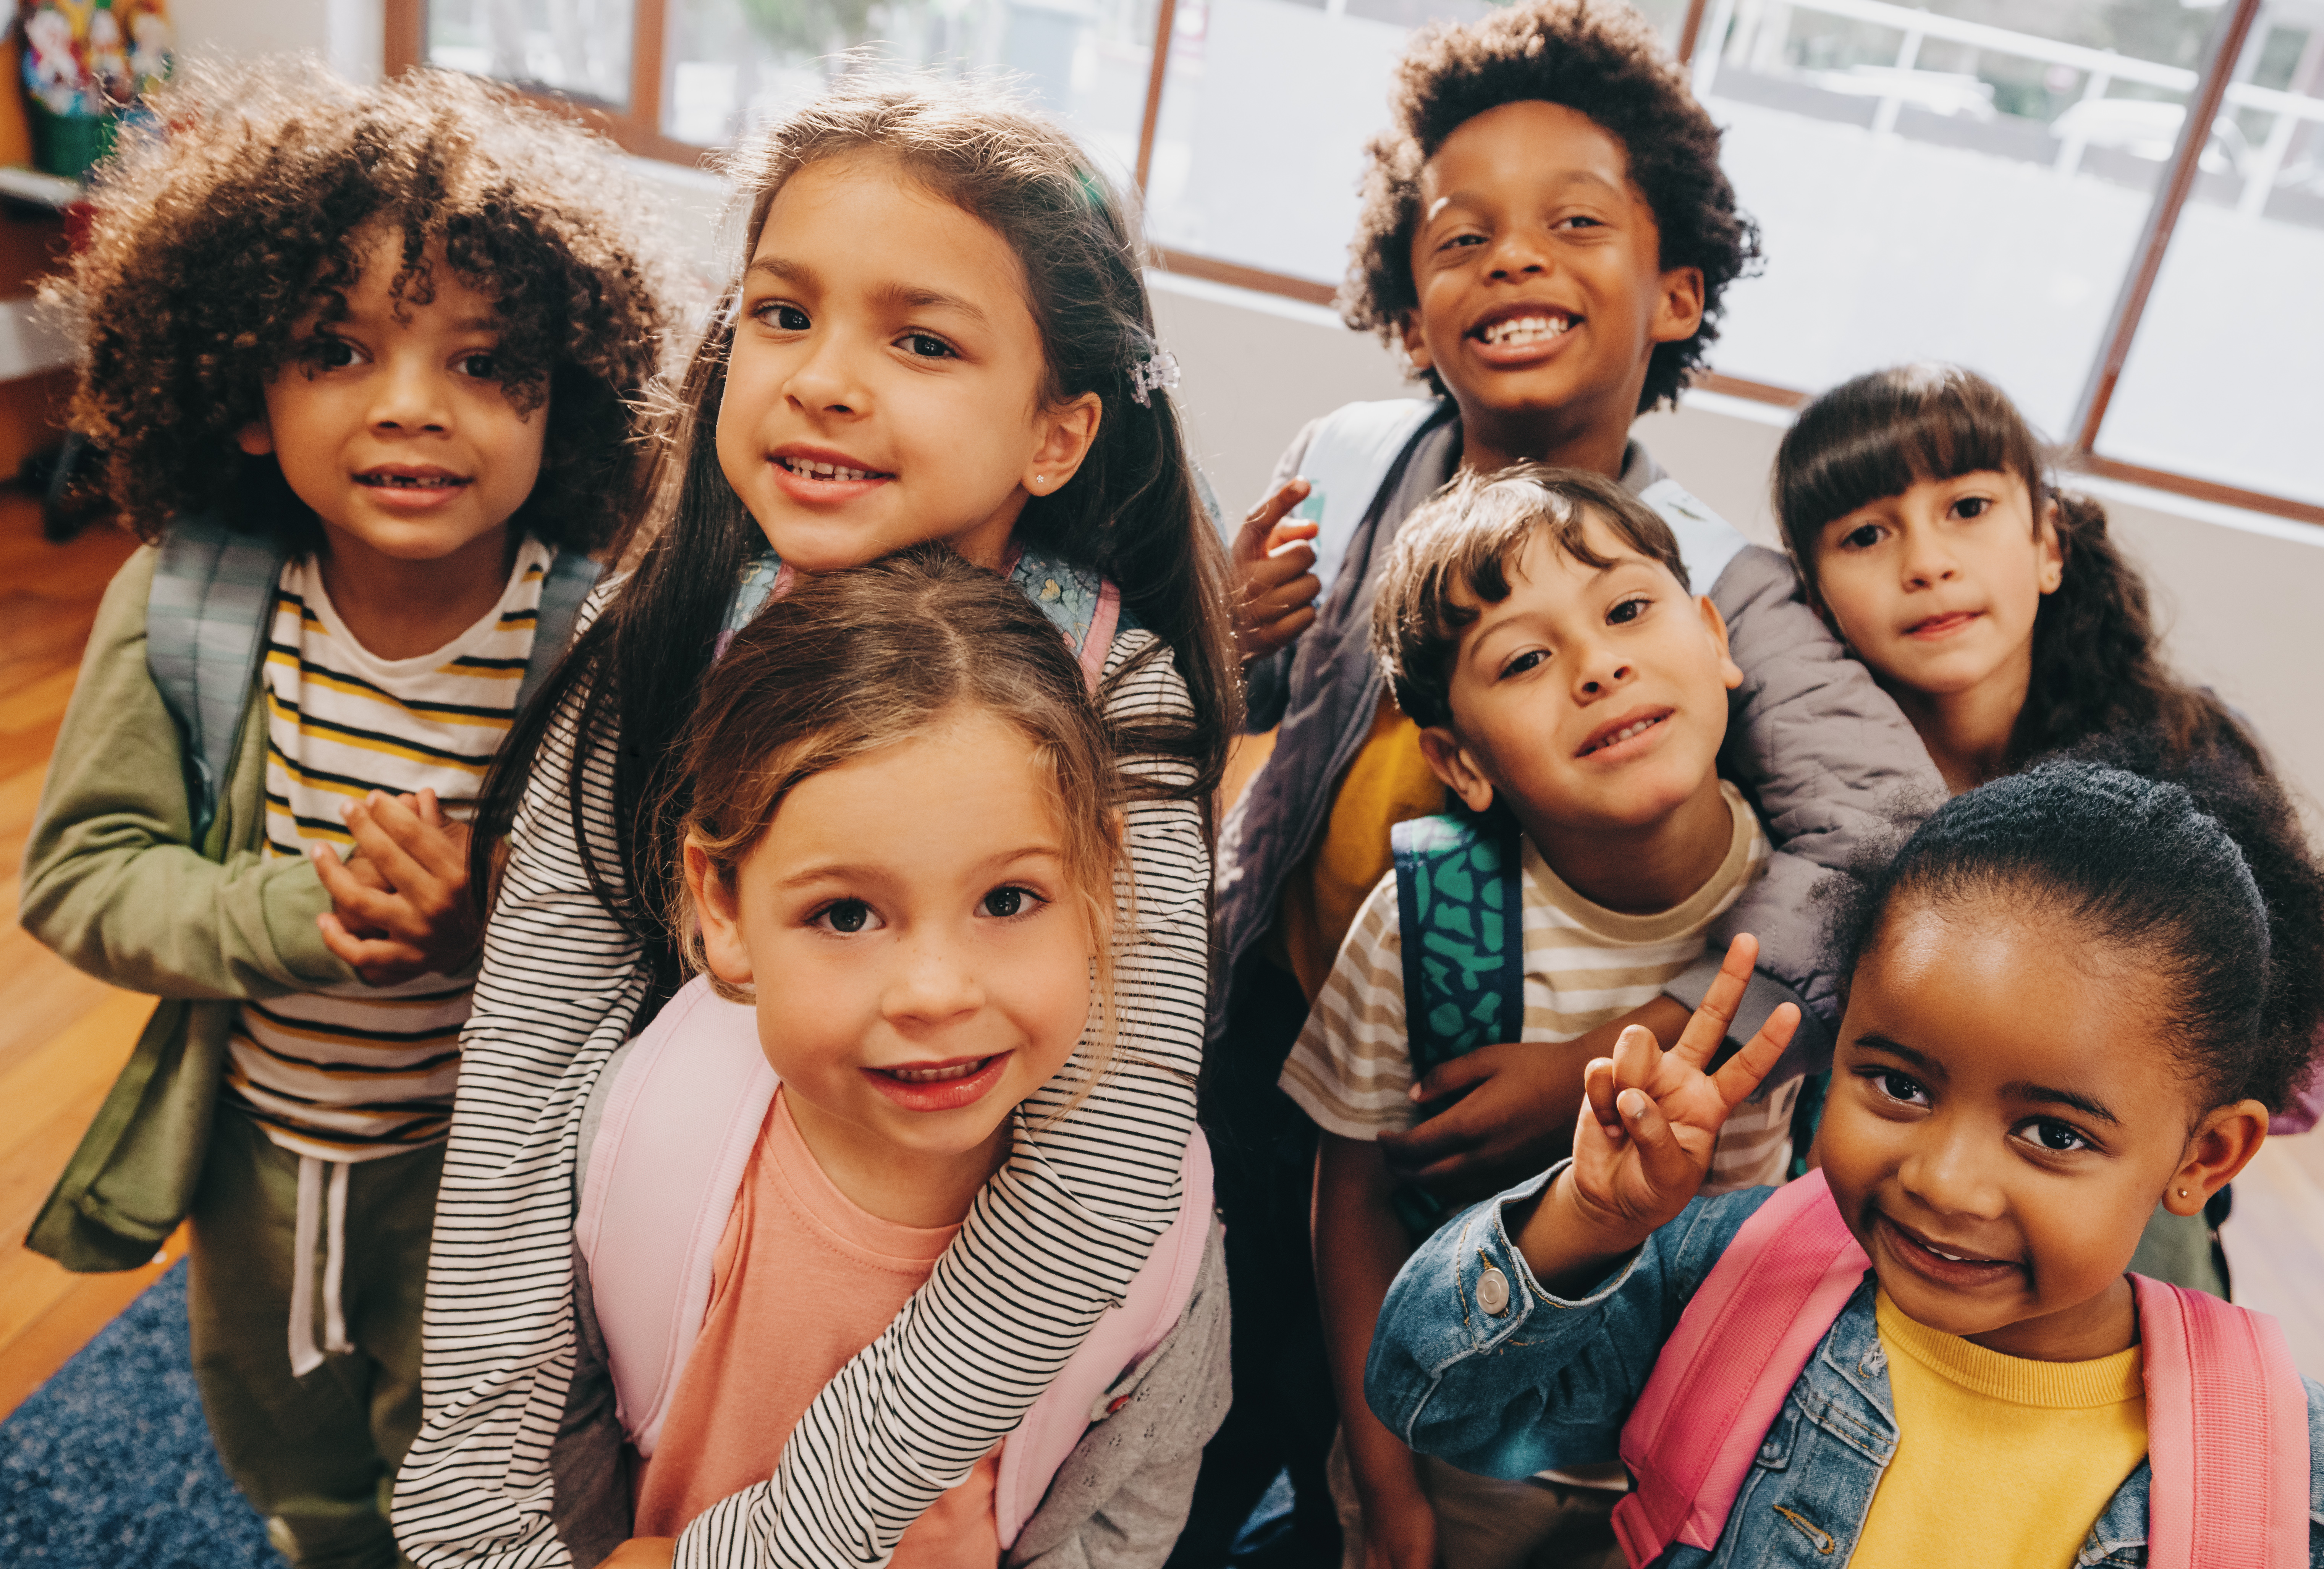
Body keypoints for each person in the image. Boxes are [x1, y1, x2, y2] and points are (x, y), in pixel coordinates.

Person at [393, 77, 1237, 1569]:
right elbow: (528, 1057)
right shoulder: (662, 647)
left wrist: (781, 1537)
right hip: (695, 1324)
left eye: (920, 340)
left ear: (1057, 431)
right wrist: (474, 1477)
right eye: (784, 315)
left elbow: (1105, 1173)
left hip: (1024, 1416)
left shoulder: (1123, 702)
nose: (825, 379)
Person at [1194, 2, 1938, 1555]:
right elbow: (1273, 692)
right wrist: (1224, 627)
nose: (1515, 259)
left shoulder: (1715, 577)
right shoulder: (1351, 455)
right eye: (1461, 236)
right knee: (1227, 1388)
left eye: (1576, 223)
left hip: (1530, 1089)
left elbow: (1880, 822)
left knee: (1445, 1410)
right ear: (1409, 300)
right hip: (1290, 1030)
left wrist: (1647, 1034)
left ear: (1676, 290)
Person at [15, 64, 671, 1569]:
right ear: (243, 394)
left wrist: (488, 921)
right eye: (338, 349)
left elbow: (665, 917)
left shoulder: (592, 641)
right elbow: (84, 876)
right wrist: (299, 915)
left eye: (483, 358)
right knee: (291, 1458)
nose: (410, 409)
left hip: (495, 1184)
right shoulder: (181, 607)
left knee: (470, 1481)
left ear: (565, 392)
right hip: (261, 1163)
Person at [1368, 760, 2324, 1567]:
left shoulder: (2278, 1468)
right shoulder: (1726, 1274)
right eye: (1901, 1085)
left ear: (2205, 1154)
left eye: (2053, 1134)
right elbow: (1435, 1398)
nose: (1943, 1181)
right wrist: (1587, 1217)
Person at [557, 550, 1228, 1569]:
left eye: (1006, 900)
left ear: (1099, 876)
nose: (934, 991)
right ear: (724, 905)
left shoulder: (1156, 1214)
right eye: (846, 912)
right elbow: (554, 1427)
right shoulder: (640, 1130)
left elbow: (1135, 1497)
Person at [1286, 465, 1802, 1569]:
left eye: (1625, 609)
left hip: (1704, 1460)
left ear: (1713, 637)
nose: (1597, 665)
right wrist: (1385, 1491)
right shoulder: (1427, 923)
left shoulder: (1810, 904)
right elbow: (1354, 1205)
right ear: (1459, 760)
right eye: (1523, 658)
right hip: (1463, 1466)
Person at [1773, 361, 2324, 1278]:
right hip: (1867, 1194)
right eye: (1866, 533)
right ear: (1816, 592)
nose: (1927, 561)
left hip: (2111, 1220)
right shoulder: (1801, 780)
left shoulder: (2184, 762)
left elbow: (2278, 1055)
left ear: (2048, 544)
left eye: (1969, 508)